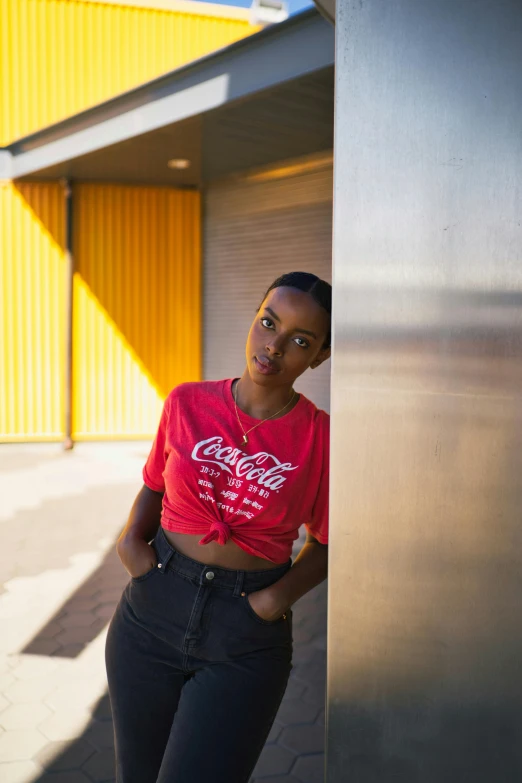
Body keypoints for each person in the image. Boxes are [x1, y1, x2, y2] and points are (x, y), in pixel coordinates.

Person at [106, 271, 331, 783]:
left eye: (300, 341)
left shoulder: (320, 437)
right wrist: (132, 544)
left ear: (318, 357)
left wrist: (274, 601)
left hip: (245, 636)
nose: (273, 346)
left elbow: (325, 539)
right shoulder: (187, 401)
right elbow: (154, 482)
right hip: (151, 613)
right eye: (268, 323)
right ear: (254, 319)